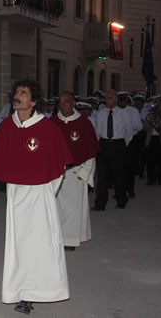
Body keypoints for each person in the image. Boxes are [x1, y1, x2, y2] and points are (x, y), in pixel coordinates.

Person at [0, 80, 73, 315]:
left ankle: (43, 289)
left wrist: (44, 190)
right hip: (16, 192)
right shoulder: (6, 127)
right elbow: (0, 160)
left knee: (41, 244)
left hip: (40, 192)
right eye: (16, 92)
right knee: (18, 244)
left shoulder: (48, 129)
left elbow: (59, 167)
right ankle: (21, 291)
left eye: (23, 93)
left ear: (34, 101)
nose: (17, 96)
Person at [51, 92, 100, 250]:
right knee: (56, 207)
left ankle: (70, 239)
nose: (62, 104)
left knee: (73, 208)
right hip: (56, 173)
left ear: (73, 103)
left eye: (66, 101)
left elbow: (90, 150)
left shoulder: (84, 124)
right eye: (60, 101)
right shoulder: (52, 123)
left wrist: (84, 172)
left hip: (75, 172)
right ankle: (56, 237)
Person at [93, 90, 133, 210]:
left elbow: (129, 132)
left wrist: (121, 145)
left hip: (118, 145)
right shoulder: (101, 113)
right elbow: (97, 132)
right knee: (102, 176)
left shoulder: (123, 114)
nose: (107, 100)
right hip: (104, 145)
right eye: (106, 98)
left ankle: (121, 199)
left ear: (116, 99)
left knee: (118, 175)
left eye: (110, 98)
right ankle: (100, 203)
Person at [117, 92, 143, 198]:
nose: (121, 102)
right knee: (118, 167)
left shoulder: (133, 111)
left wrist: (127, 124)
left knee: (130, 167)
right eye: (120, 100)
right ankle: (120, 190)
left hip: (131, 140)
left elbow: (139, 126)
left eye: (123, 100)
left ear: (127, 101)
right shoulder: (115, 111)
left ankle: (130, 189)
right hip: (119, 140)